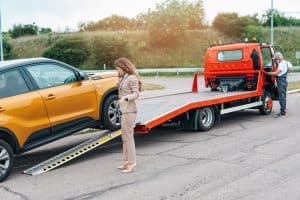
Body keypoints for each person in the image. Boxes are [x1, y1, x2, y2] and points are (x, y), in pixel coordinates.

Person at [114, 57, 141, 173]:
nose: (117, 71)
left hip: (130, 111)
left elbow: (136, 94)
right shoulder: (123, 78)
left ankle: (132, 163)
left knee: (129, 138)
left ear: (123, 67)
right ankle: (125, 162)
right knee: (124, 138)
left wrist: (126, 97)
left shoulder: (132, 78)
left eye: (118, 69)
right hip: (123, 111)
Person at [265, 52, 292, 117]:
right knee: (283, 96)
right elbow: (290, 69)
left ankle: (282, 112)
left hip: (281, 81)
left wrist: (267, 73)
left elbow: (276, 73)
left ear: (279, 58)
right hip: (284, 80)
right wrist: (285, 73)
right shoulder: (286, 62)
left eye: (276, 59)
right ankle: (283, 110)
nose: (276, 60)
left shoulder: (281, 64)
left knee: (281, 97)